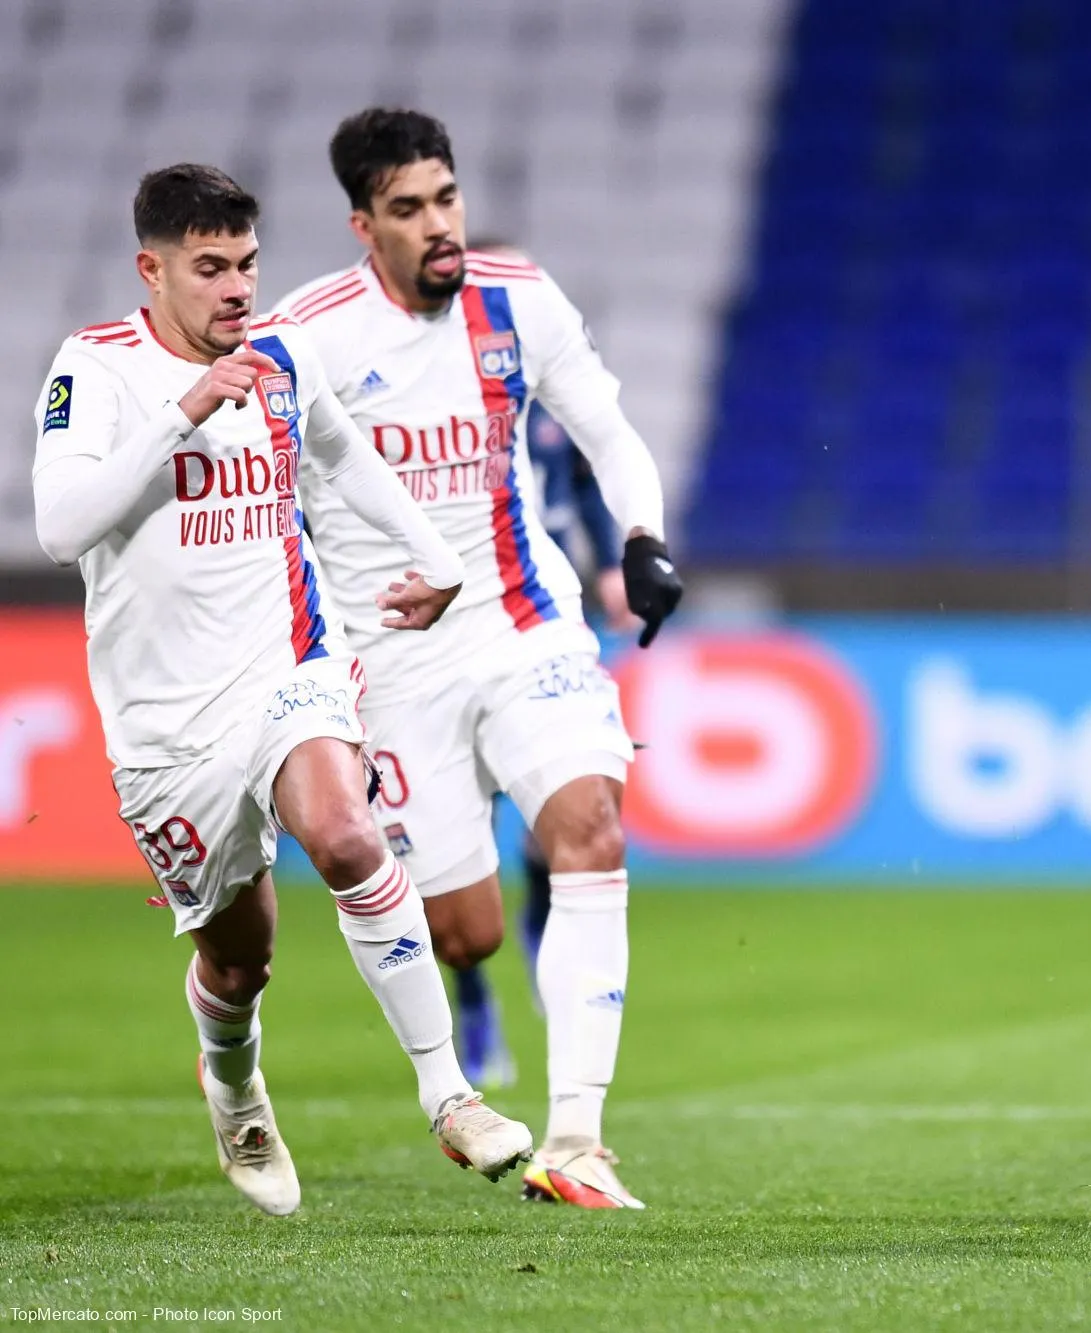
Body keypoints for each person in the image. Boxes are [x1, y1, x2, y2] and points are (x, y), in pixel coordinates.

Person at [30, 164, 535, 1216]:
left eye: (247, 264)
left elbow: (345, 458)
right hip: (166, 724)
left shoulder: (278, 358)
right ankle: (235, 1085)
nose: (235, 289)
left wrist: (434, 554)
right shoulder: (97, 369)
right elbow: (62, 525)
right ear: (152, 270)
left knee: (346, 833)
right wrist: (180, 413)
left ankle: (448, 1094)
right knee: (238, 955)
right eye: (209, 268)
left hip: (290, 663)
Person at [276, 109, 684, 1210]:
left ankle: (579, 1141)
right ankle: (461, 1050)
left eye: (445, 198)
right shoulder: (308, 335)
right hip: (393, 661)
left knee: (589, 824)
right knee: (468, 928)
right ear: (365, 225)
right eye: (408, 210)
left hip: (523, 618)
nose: (438, 226)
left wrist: (641, 537)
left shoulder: (520, 299)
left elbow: (604, 429)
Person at [450, 236, 642, 1090]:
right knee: (459, 839)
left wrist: (610, 561)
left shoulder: (544, 402)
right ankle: (473, 998)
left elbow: (592, 482)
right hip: (454, 632)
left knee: (556, 805)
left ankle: (540, 926)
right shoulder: (443, 410)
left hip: (547, 615)